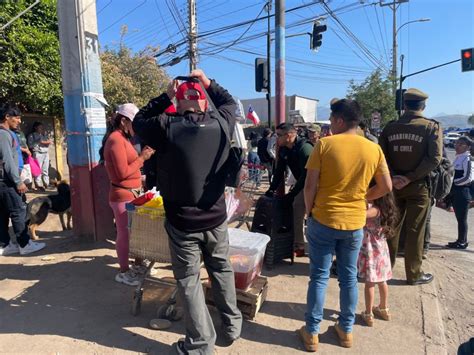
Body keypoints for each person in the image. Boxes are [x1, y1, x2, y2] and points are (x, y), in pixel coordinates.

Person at [133, 69, 242, 354]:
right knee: (221, 269)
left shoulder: (165, 125)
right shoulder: (223, 121)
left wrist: (165, 96)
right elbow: (229, 102)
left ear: (179, 104)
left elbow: (137, 121)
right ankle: (231, 326)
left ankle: (201, 344)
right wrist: (208, 81)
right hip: (216, 218)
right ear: (205, 103)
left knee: (189, 280)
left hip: (183, 223)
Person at [299, 99, 391, 351]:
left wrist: (310, 212)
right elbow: (386, 186)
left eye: (331, 120)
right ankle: (346, 331)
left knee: (319, 276)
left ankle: (312, 332)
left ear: (339, 120)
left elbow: (310, 186)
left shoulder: (325, 144)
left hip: (323, 219)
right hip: (354, 224)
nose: (330, 124)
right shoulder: (374, 149)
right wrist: (363, 196)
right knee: (349, 278)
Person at [379, 88, 443, 285]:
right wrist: (410, 177)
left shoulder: (390, 127)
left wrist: (394, 177)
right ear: (423, 106)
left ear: (404, 105)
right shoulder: (431, 127)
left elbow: (380, 157)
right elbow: (435, 158)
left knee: (391, 226)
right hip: (418, 187)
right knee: (415, 230)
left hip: (392, 186)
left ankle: (385, 269)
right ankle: (413, 274)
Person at [100, 103, 155, 286]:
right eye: (134, 123)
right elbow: (122, 172)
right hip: (122, 195)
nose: (136, 128)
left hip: (131, 193)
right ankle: (123, 271)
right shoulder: (116, 140)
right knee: (124, 234)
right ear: (123, 121)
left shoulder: (123, 139)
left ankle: (134, 265)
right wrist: (142, 159)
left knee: (132, 233)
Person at [0, 104, 45, 256]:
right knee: (18, 211)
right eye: (17, 117)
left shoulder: (6, 134)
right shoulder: (4, 134)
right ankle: (24, 244)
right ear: (7, 117)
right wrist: (18, 181)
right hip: (7, 181)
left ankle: (5, 244)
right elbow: (7, 160)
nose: (19, 121)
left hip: (4, 181)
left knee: (3, 212)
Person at [265, 123, 314, 257]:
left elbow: (307, 175)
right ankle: (299, 245)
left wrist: (292, 193)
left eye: (279, 135)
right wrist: (271, 189)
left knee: (314, 216)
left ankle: (315, 246)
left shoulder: (305, 148)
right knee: (296, 210)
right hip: (302, 184)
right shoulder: (284, 149)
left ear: (289, 135)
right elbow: (279, 170)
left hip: (316, 185)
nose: (277, 138)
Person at [358, 191, 399, 327]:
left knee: (370, 282)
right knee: (382, 281)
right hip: (381, 250)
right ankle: (383, 308)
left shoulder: (375, 210)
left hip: (371, 251)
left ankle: (368, 313)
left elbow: (360, 216)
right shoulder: (386, 210)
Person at [446, 136, 472, 249]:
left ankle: (462, 242)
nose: (457, 146)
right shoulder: (458, 158)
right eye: (457, 143)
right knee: (459, 218)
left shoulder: (468, 159)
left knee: (462, 219)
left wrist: (454, 182)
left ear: (468, 147)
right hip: (456, 192)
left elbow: (468, 177)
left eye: (461, 144)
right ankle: (460, 240)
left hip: (463, 192)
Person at [27, 121, 52, 191]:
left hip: (45, 153)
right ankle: (39, 185)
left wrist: (46, 142)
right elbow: (30, 145)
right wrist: (38, 142)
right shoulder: (32, 135)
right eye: (40, 127)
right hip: (38, 153)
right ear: (35, 128)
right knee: (38, 169)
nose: (41, 128)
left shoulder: (43, 135)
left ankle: (47, 184)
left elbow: (48, 142)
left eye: (42, 127)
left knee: (45, 170)